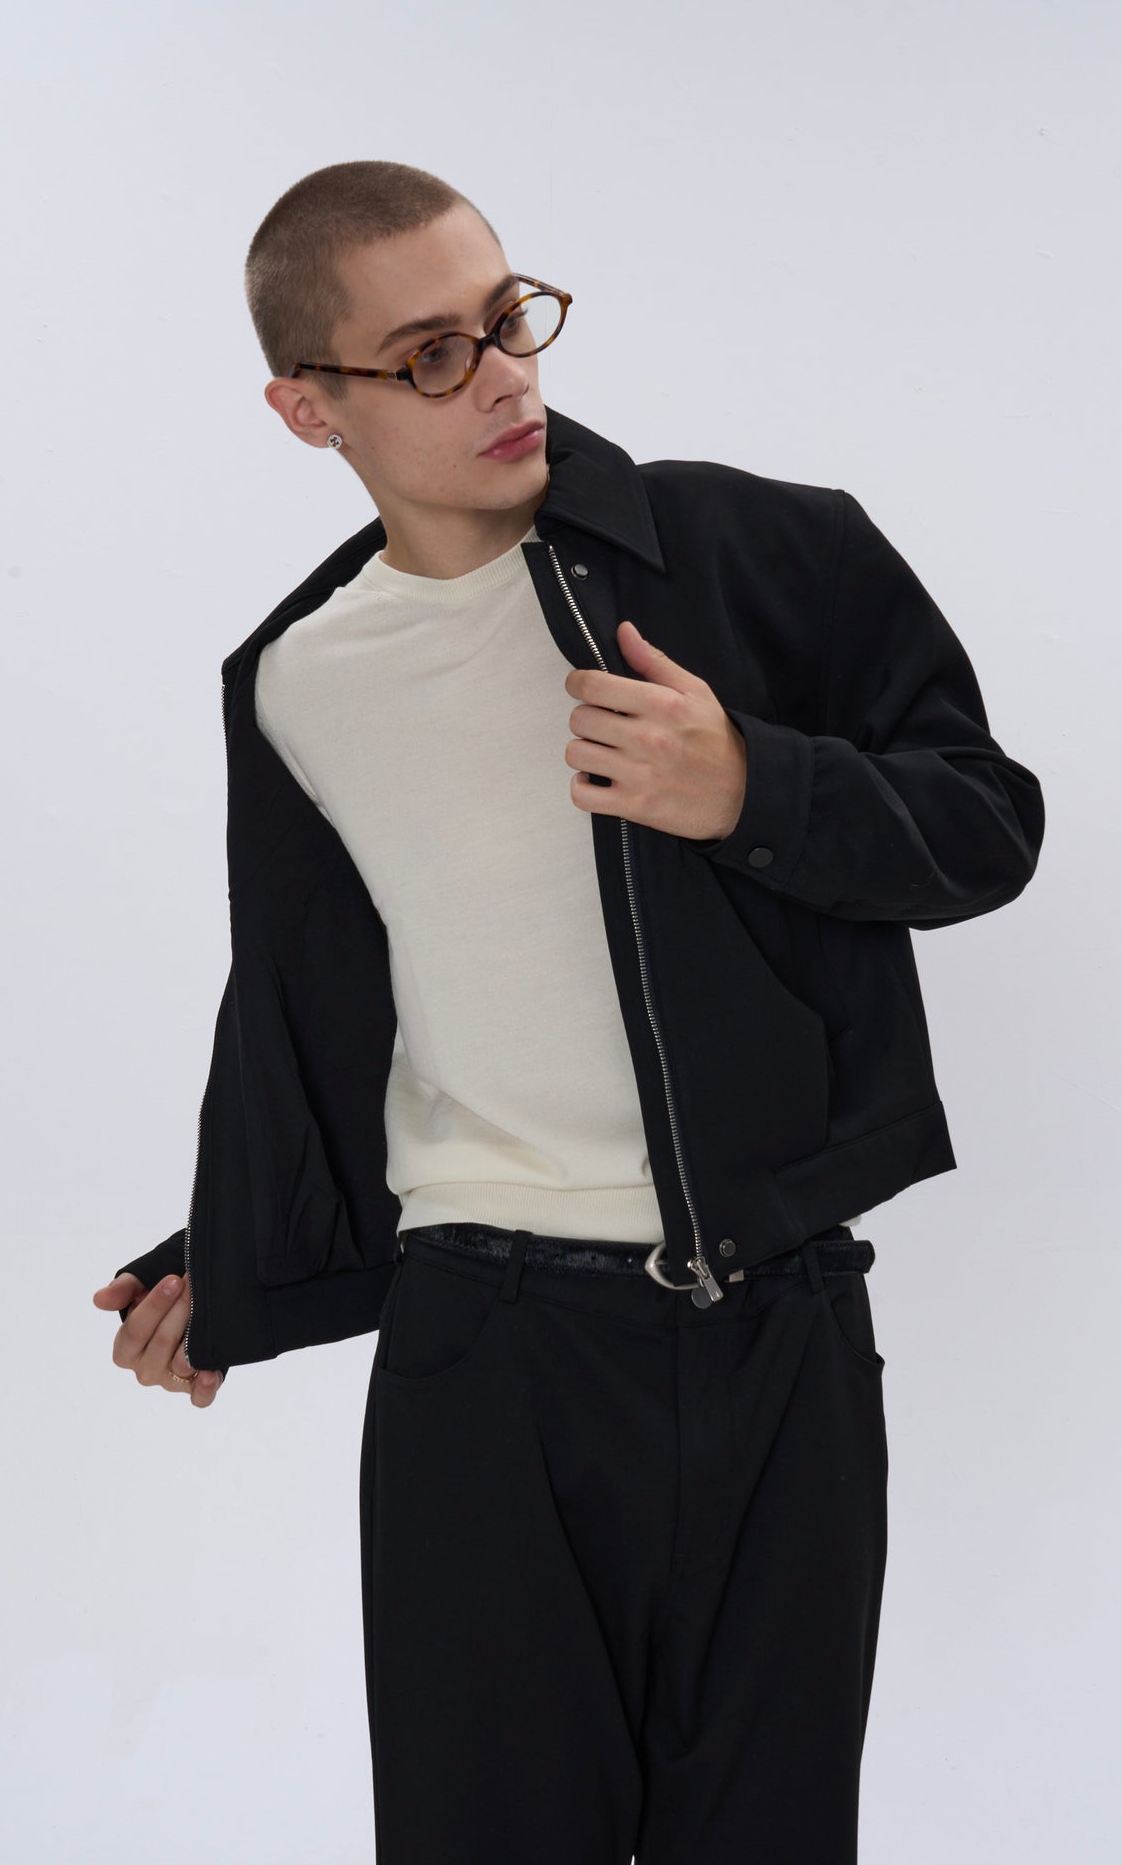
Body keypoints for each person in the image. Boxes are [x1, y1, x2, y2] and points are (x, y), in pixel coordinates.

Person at [92, 160, 1044, 1863]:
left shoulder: (760, 552)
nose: (504, 376)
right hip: (488, 1355)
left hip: (783, 1334)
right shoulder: (299, 683)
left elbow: (988, 827)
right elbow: (321, 1011)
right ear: (308, 408)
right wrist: (229, 1248)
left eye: (509, 316)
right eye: (430, 355)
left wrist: (750, 785)